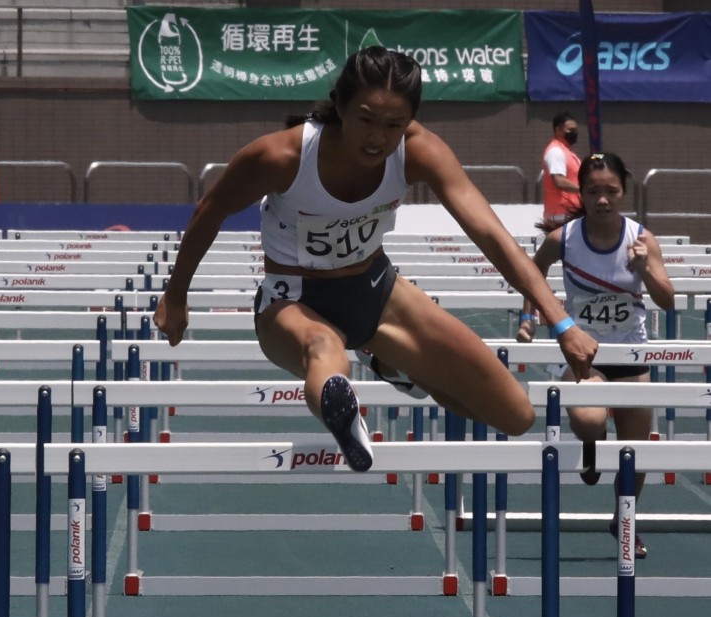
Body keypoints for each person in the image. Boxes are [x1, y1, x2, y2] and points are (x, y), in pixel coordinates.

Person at [154, 46, 597, 473]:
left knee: (515, 414)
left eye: (394, 125)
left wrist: (562, 323)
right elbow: (208, 212)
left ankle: (392, 363)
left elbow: (490, 234)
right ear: (340, 106)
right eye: (366, 120)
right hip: (291, 300)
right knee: (324, 349)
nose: (377, 138)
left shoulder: (419, 150)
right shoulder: (281, 156)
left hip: (377, 290)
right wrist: (176, 297)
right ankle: (348, 411)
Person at [517, 152, 674, 559]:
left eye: (610, 191)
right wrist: (528, 317)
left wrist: (645, 269)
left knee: (635, 454)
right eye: (593, 191)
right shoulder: (563, 239)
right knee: (588, 419)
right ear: (581, 194)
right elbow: (531, 274)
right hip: (584, 355)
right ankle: (591, 449)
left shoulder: (641, 239)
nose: (602, 199)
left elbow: (668, 300)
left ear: (624, 191)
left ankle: (624, 520)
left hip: (632, 354)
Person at [541, 111, 582, 226]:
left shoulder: (567, 152)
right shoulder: (556, 151)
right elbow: (559, 181)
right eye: (571, 130)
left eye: (576, 130)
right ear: (558, 130)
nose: (574, 133)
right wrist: (582, 189)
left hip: (570, 213)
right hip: (560, 215)